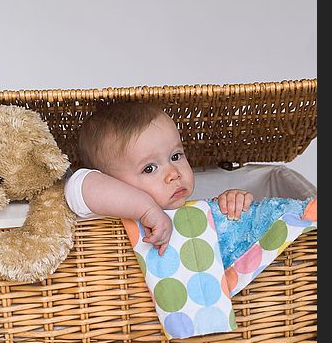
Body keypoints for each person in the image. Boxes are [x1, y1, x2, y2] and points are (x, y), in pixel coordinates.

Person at [65, 102, 253, 256]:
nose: (174, 173)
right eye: (149, 168)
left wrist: (230, 203)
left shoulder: (181, 204)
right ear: (109, 180)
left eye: (176, 156)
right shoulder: (102, 208)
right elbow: (79, 184)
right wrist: (146, 209)